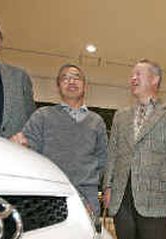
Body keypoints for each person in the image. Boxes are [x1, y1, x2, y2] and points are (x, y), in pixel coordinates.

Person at [103, 59, 166, 239]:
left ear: (155, 79)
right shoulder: (121, 116)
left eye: (138, 74)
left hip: (157, 196)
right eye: (132, 75)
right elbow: (113, 153)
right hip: (122, 198)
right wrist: (108, 187)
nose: (133, 78)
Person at [11, 64, 107, 216]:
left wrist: (88, 186)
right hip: (48, 197)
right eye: (65, 78)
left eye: (76, 78)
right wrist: (19, 146)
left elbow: (102, 161)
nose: (71, 81)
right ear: (58, 86)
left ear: (84, 85)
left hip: (88, 199)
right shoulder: (42, 116)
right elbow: (29, 153)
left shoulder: (97, 122)